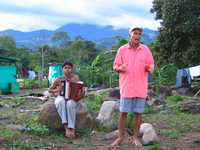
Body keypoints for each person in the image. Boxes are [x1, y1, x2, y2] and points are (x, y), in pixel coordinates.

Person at [110, 26, 154, 147]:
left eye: (139, 34)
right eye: (135, 33)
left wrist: (149, 68)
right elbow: (115, 66)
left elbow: (151, 65)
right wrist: (120, 68)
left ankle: (135, 137)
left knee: (138, 113)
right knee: (123, 112)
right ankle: (120, 137)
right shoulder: (122, 50)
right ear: (130, 35)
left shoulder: (145, 49)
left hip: (140, 86)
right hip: (127, 86)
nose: (138, 36)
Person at [48, 61, 81, 138]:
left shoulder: (76, 77)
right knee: (60, 102)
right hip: (61, 96)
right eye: (65, 68)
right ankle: (66, 127)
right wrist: (57, 90)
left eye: (69, 68)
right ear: (62, 69)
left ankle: (72, 128)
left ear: (71, 69)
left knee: (70, 104)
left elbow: (80, 88)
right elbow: (50, 90)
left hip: (72, 97)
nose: (67, 69)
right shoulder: (59, 79)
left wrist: (80, 92)